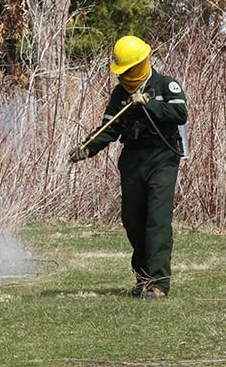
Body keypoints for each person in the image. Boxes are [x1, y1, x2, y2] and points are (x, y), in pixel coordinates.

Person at [68, 35, 187, 299]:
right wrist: (87, 148)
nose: (123, 75)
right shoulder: (120, 93)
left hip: (162, 158)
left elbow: (181, 114)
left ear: (141, 63)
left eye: (127, 70)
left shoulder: (166, 85)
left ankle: (158, 284)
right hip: (133, 160)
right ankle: (143, 278)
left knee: (157, 220)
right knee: (133, 220)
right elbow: (109, 129)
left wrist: (151, 103)